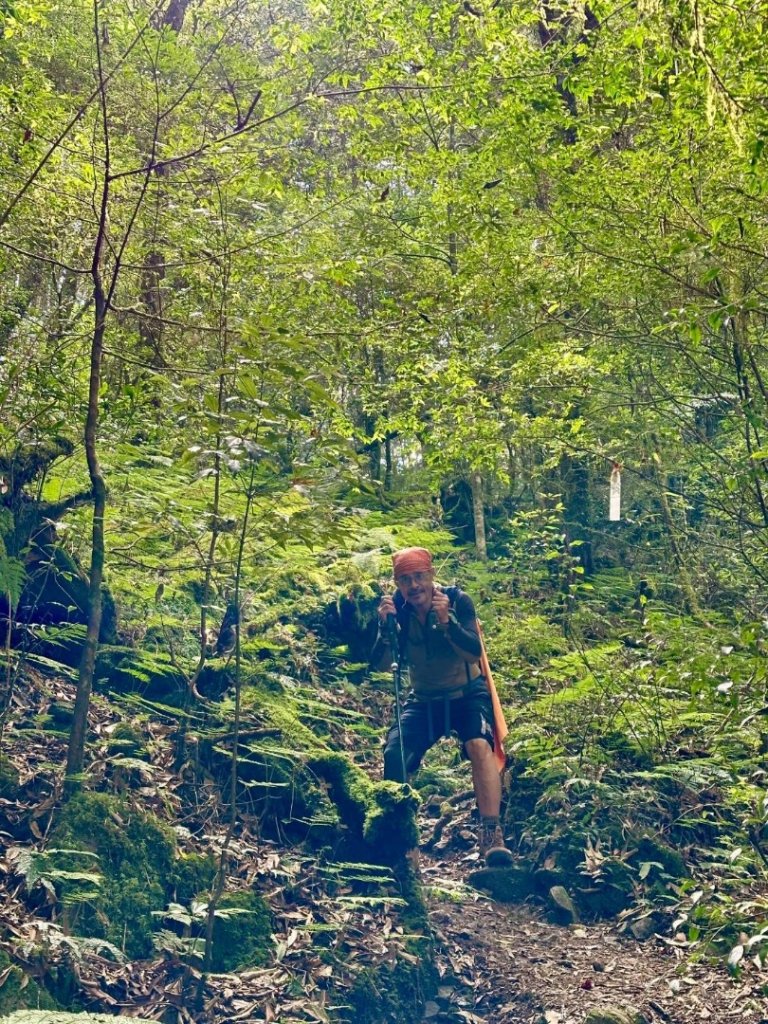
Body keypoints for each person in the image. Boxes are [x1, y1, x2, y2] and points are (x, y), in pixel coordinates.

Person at [371, 546, 513, 867]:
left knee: (479, 745)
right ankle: (400, 839)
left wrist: (446, 622)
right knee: (396, 753)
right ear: (397, 582)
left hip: (467, 694)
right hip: (424, 701)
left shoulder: (457, 600)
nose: (413, 585)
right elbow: (380, 665)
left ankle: (492, 834)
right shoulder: (398, 611)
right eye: (405, 579)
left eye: (419, 576)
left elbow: (474, 653)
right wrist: (386, 628)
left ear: (431, 575)